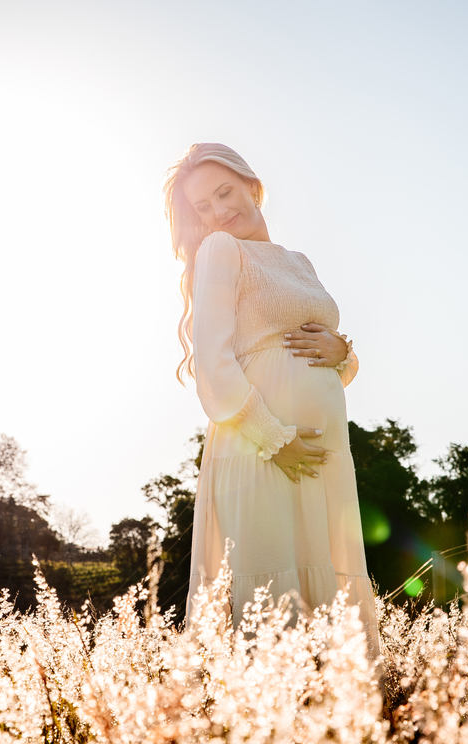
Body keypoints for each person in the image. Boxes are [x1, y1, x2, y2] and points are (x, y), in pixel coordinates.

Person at [163, 143, 380, 654]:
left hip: (322, 458)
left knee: (326, 582)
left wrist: (343, 351)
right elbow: (214, 367)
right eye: (203, 207)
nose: (218, 211)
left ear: (251, 185)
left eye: (225, 193)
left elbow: (332, 365)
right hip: (259, 449)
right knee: (270, 595)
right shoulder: (220, 251)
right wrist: (273, 438)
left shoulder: (299, 262)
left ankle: (332, 725)